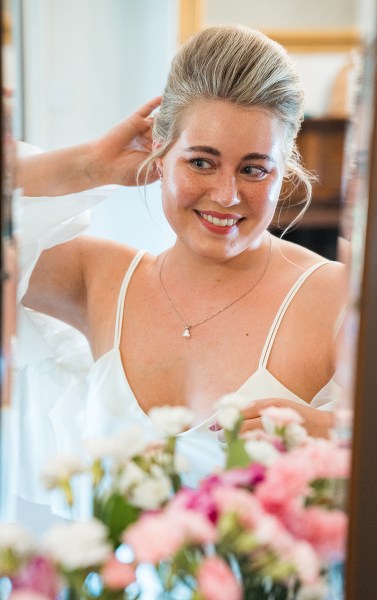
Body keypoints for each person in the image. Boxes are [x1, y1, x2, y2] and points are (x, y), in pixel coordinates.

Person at [20, 25, 346, 487]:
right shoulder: (99, 279)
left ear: (283, 171)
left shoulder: (336, 298)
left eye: (254, 169)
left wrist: (335, 435)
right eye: (201, 162)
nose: (227, 195)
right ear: (159, 153)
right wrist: (90, 165)